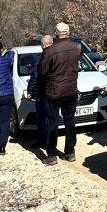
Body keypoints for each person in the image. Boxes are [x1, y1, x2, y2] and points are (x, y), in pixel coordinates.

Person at [35, 22, 81, 165]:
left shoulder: (50, 51)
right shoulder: (77, 47)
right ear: (68, 32)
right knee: (70, 121)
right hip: (71, 90)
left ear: (56, 32)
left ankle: (52, 154)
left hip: (54, 91)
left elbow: (42, 72)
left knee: (52, 123)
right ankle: (70, 152)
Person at [27, 34, 54, 154]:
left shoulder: (40, 58)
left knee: (42, 119)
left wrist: (30, 90)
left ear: (42, 45)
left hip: (43, 92)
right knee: (52, 119)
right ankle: (50, 142)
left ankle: (42, 141)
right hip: (55, 91)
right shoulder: (57, 56)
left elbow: (35, 76)